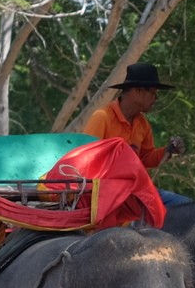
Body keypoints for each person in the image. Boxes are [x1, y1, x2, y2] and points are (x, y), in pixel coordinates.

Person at [79, 63, 189, 204]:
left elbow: (146, 158)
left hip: (138, 193)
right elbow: (85, 161)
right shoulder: (102, 117)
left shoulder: (142, 124)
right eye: (153, 93)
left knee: (187, 206)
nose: (156, 99)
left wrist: (168, 151)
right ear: (137, 91)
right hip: (107, 197)